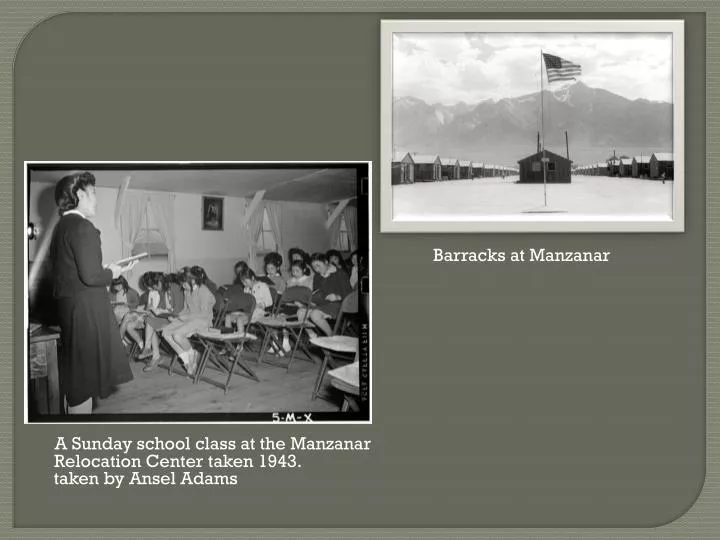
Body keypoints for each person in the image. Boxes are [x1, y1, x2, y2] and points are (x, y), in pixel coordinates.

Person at [50, 172, 136, 414]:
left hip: (71, 311)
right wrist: (112, 272)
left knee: (76, 377)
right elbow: (92, 277)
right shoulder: (83, 227)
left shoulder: (61, 228)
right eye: (94, 193)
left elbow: (74, 274)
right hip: (87, 315)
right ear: (80, 195)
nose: (97, 199)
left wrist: (105, 270)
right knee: (84, 383)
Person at [161, 266, 216, 376]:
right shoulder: (187, 291)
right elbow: (186, 309)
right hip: (190, 320)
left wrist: (185, 318)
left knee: (177, 335)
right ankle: (187, 358)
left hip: (203, 321)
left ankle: (192, 356)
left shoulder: (203, 291)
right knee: (165, 332)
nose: (183, 286)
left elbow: (204, 314)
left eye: (184, 283)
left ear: (193, 280)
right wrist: (176, 316)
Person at [299, 252, 352, 336]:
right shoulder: (317, 276)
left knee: (315, 314)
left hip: (338, 304)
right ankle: (312, 335)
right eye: (314, 267)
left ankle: (331, 336)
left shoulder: (340, 274)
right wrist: (311, 299)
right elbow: (317, 292)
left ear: (326, 262)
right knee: (301, 312)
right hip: (322, 303)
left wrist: (338, 297)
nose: (316, 269)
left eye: (318, 266)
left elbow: (349, 294)